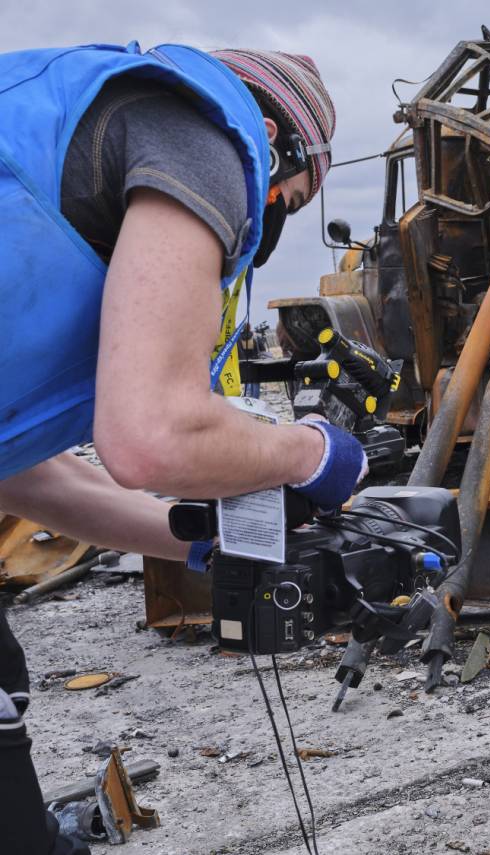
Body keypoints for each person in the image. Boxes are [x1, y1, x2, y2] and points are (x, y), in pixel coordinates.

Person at [0, 42, 363, 853]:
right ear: (271, 138)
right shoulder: (202, 133)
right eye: (284, 202)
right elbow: (151, 433)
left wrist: (198, 534)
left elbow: (24, 475)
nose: (263, 217)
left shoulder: (68, 149)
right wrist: (310, 452)